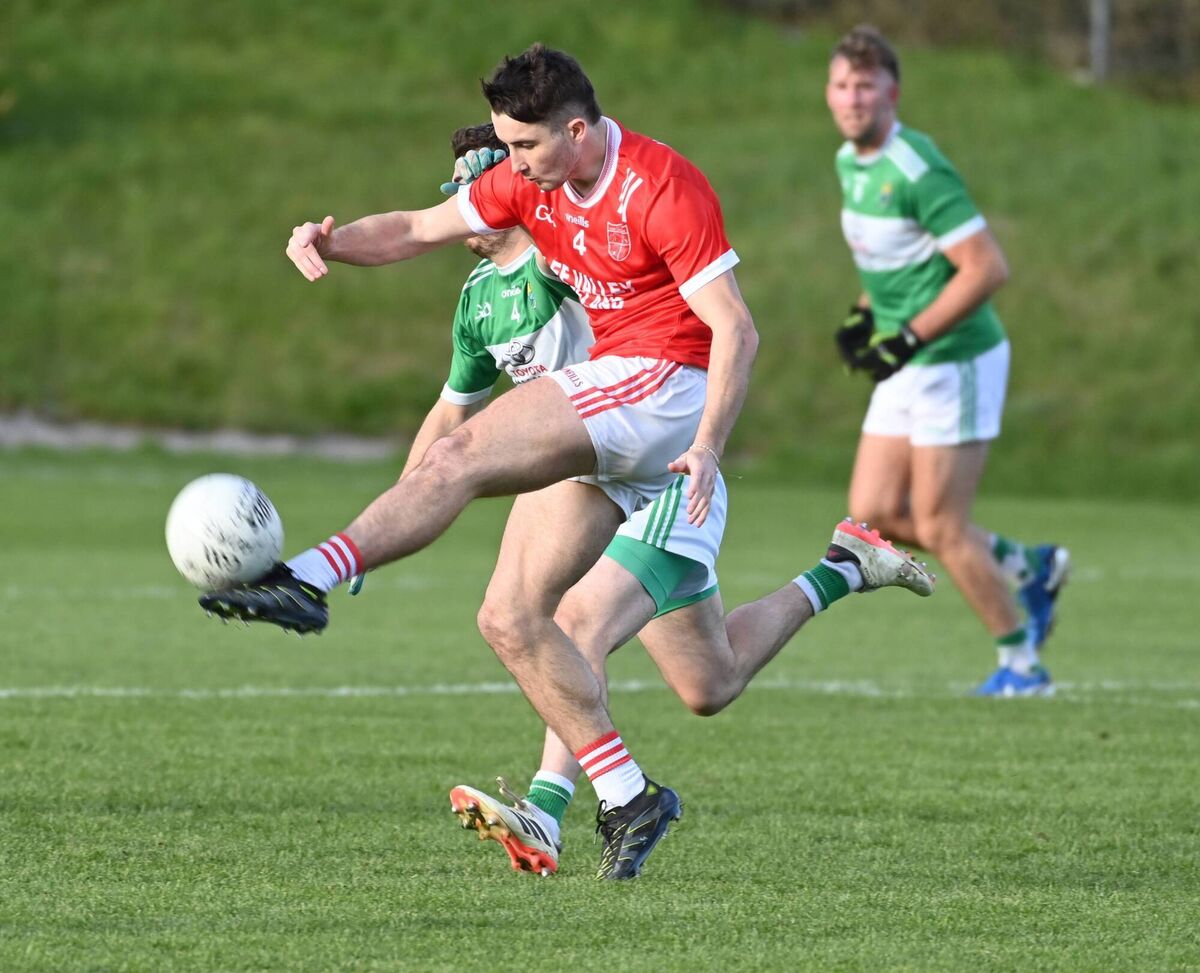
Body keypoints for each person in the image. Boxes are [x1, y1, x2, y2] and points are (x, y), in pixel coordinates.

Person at [202, 44, 760, 879]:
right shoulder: (524, 181)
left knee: (463, 455)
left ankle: (307, 577)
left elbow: (736, 328)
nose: (514, 164)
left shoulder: (661, 185)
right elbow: (419, 228)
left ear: (577, 130)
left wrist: (710, 441)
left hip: (666, 386)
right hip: (616, 410)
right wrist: (331, 238)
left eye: (527, 147)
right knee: (509, 618)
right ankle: (628, 794)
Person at [384, 133, 935, 877]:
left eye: (475, 184)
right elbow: (452, 413)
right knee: (711, 682)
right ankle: (843, 566)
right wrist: (396, 507)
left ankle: (547, 812)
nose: (462, 204)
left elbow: (681, 303)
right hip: (592, 492)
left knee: (574, 619)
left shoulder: (563, 258)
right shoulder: (478, 305)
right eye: (455, 189)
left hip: (665, 477)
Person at [825, 26, 1070, 697]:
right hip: (911, 359)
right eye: (843, 85)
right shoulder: (852, 160)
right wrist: (864, 316)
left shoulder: (916, 168)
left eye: (866, 86)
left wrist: (905, 338)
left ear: (892, 94)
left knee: (938, 523)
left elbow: (987, 266)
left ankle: (1023, 666)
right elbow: (898, 263)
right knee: (871, 514)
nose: (853, 99)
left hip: (956, 358)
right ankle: (1029, 564)